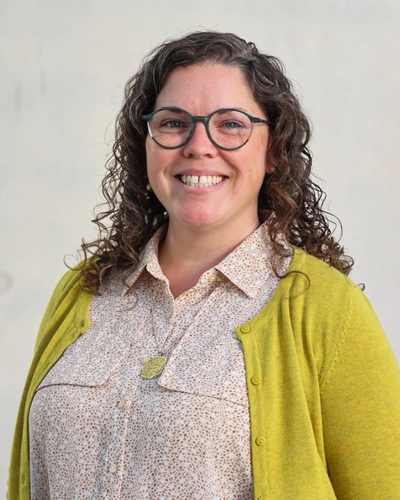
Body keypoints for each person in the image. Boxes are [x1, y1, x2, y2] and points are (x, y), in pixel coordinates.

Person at [8, 31, 400, 500]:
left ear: (273, 150)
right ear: (146, 144)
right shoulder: (82, 291)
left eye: (231, 124)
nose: (199, 145)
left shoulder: (327, 312)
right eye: (174, 123)